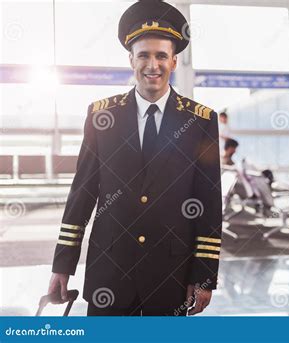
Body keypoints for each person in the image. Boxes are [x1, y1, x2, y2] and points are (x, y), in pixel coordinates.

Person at [47, 0, 222, 316]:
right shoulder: (102, 115)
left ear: (174, 61)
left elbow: (208, 202)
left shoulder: (200, 121)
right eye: (143, 55)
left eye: (161, 56)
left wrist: (205, 275)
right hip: (109, 273)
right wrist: (63, 264)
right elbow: (82, 193)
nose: (152, 65)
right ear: (131, 59)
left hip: (172, 272)